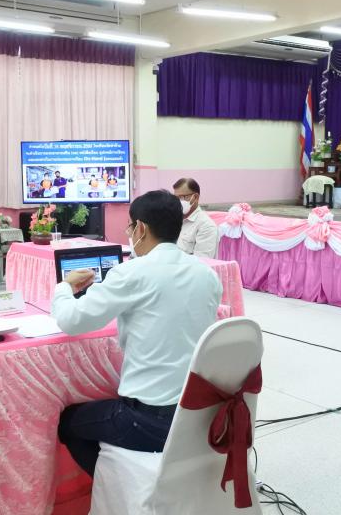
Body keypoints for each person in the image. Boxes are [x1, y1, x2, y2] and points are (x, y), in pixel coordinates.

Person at [53, 190, 222, 476]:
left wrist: (65, 287)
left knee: (69, 423)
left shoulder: (132, 272)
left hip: (147, 418)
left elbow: (71, 320)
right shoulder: (206, 274)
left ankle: (118, 488)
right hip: (198, 415)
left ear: (140, 228)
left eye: (130, 227)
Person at [172, 177, 219, 259]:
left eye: (182, 197)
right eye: (175, 198)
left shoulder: (206, 226)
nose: (178, 202)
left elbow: (202, 261)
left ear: (196, 197)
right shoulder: (172, 220)